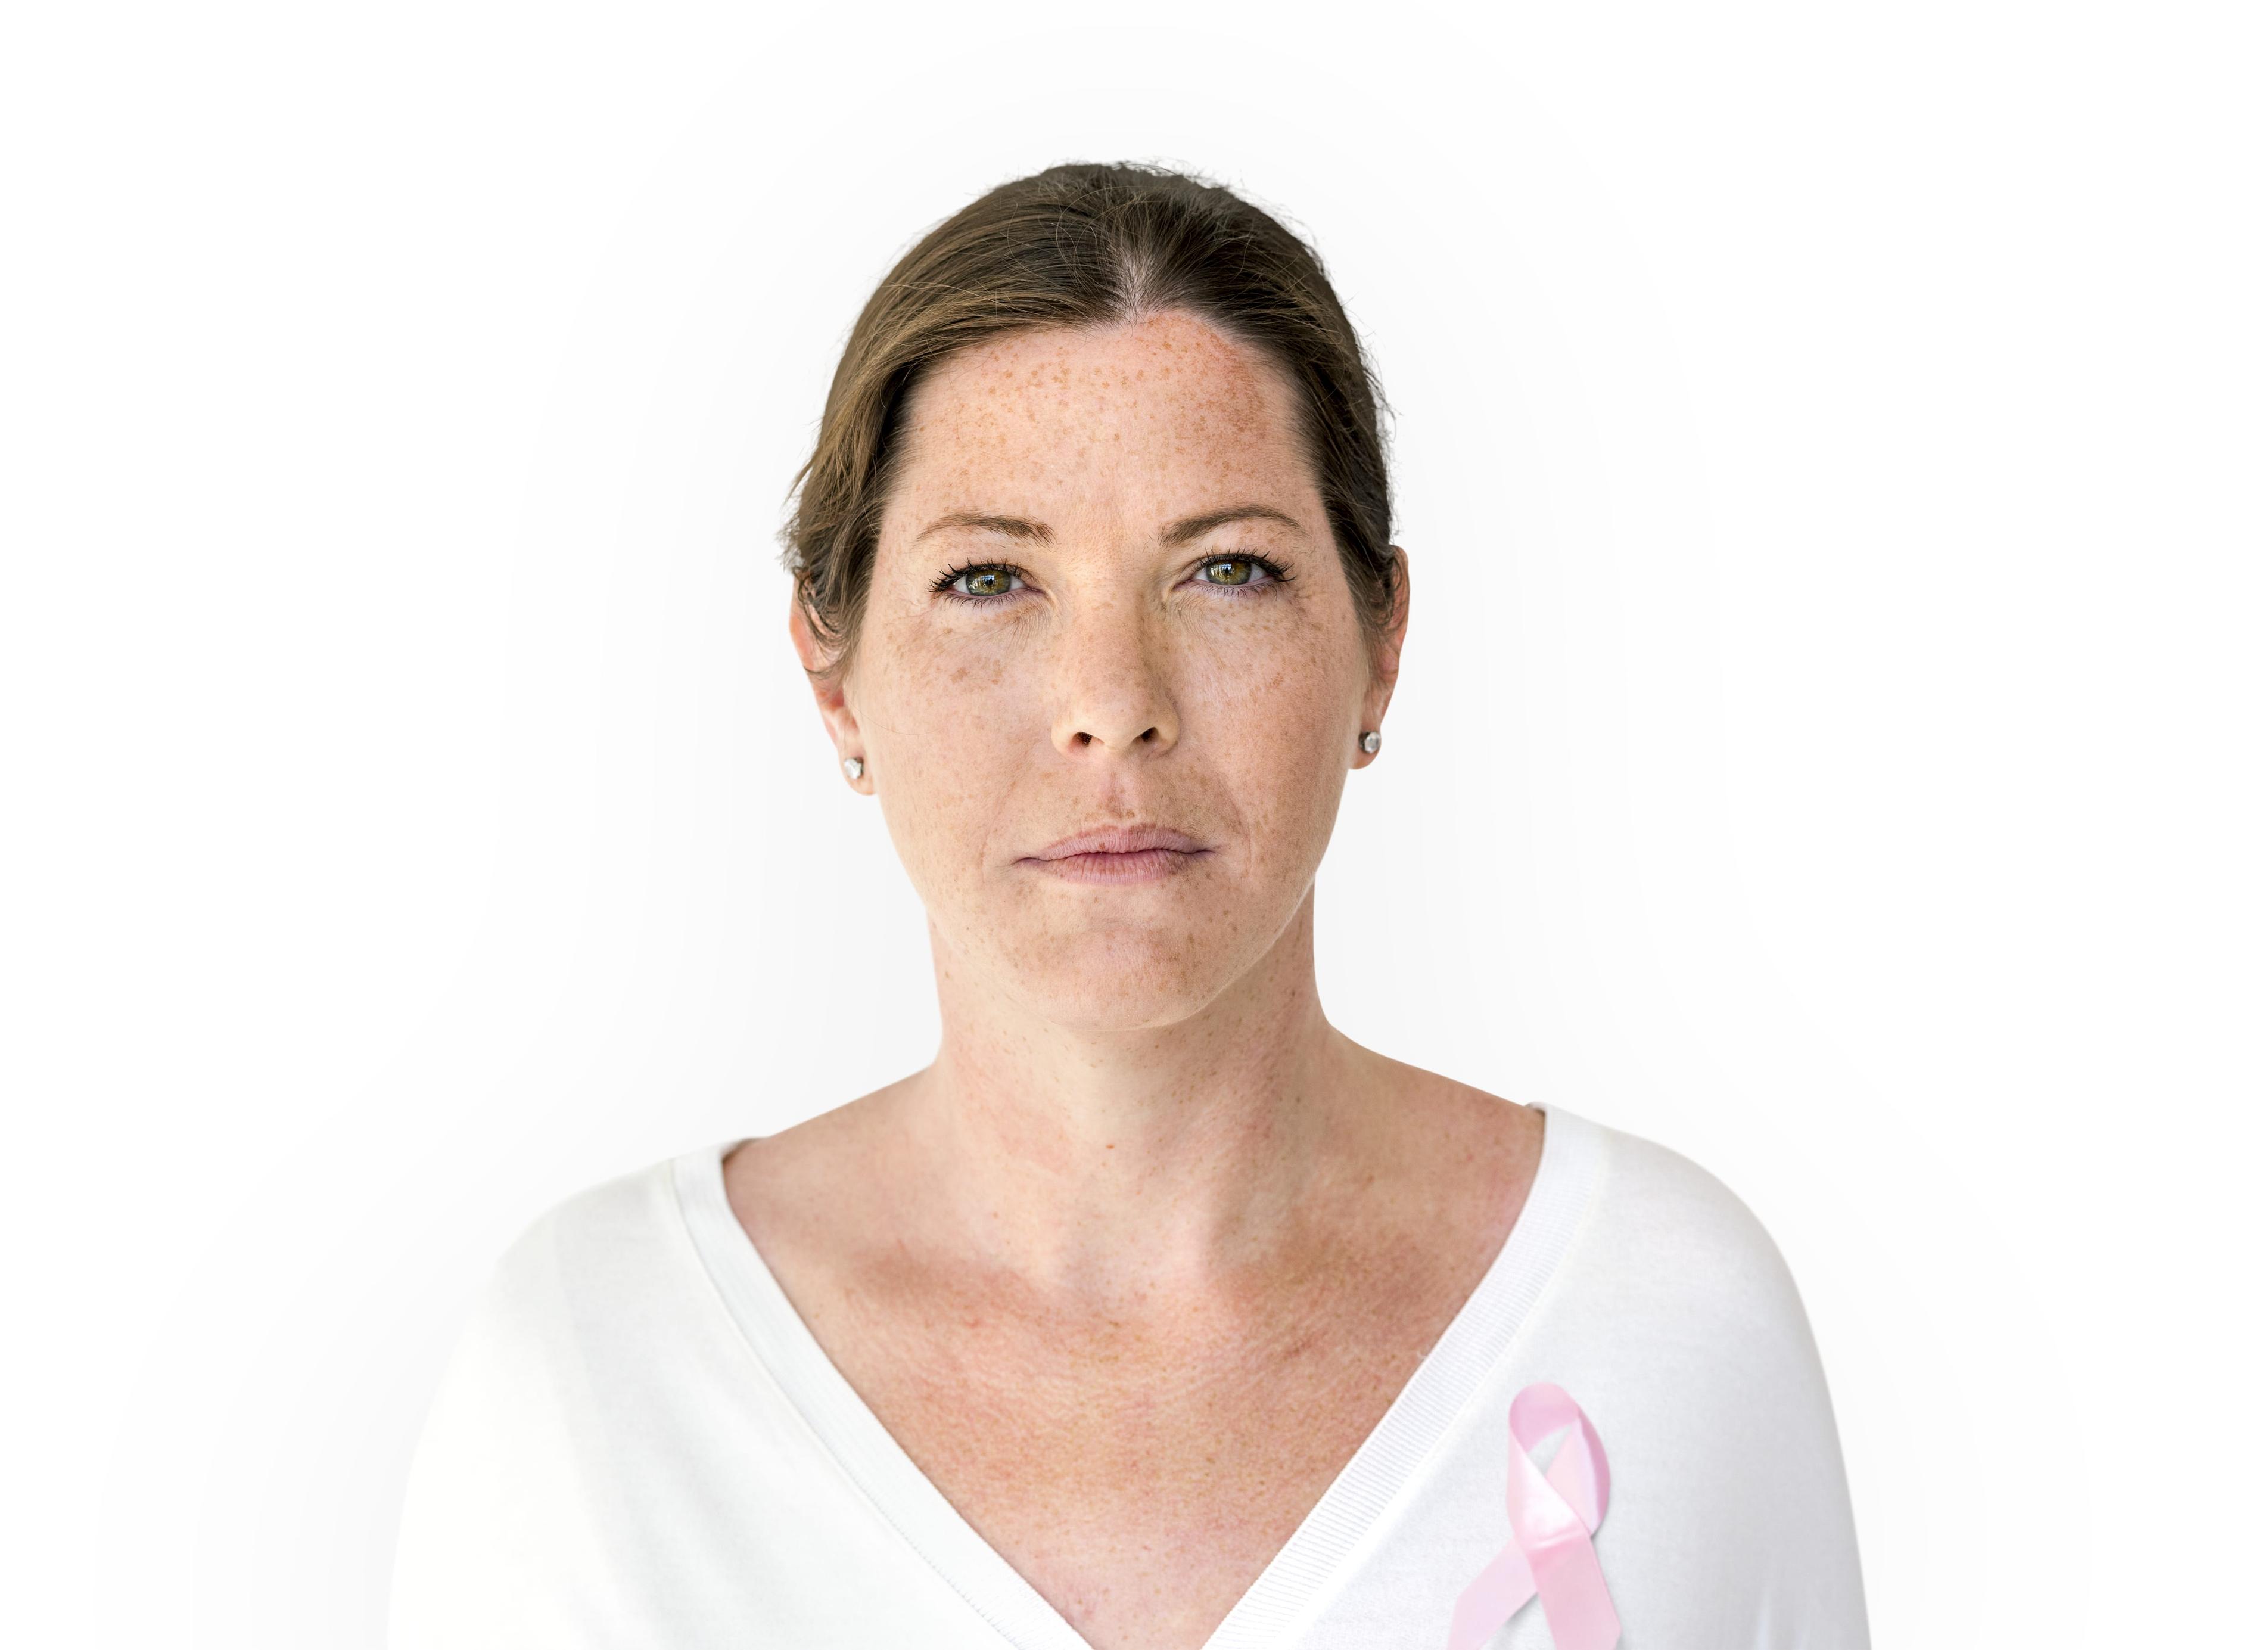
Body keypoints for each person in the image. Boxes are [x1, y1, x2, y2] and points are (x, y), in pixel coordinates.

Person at [387, 163, 1868, 1650]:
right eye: (988, 579)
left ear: (1382, 642)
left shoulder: (1664, 1319)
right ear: (833, 677)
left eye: (1227, 569)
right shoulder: (597, 1360)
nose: (1114, 705)